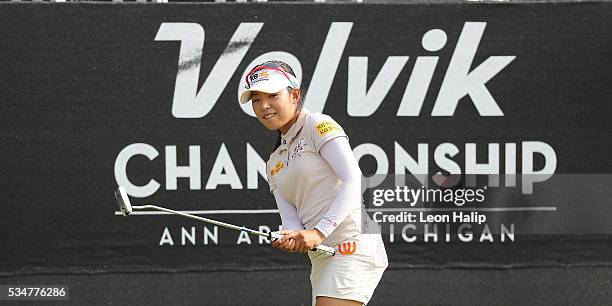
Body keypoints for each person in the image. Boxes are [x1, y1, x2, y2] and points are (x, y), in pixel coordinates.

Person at [239, 60, 388, 306]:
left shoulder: (317, 125)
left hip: (352, 244)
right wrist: (290, 236)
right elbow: (291, 220)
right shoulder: (273, 161)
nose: (264, 106)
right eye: (256, 99)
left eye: (273, 95)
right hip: (321, 256)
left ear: (295, 94)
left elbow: (353, 179)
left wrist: (319, 232)